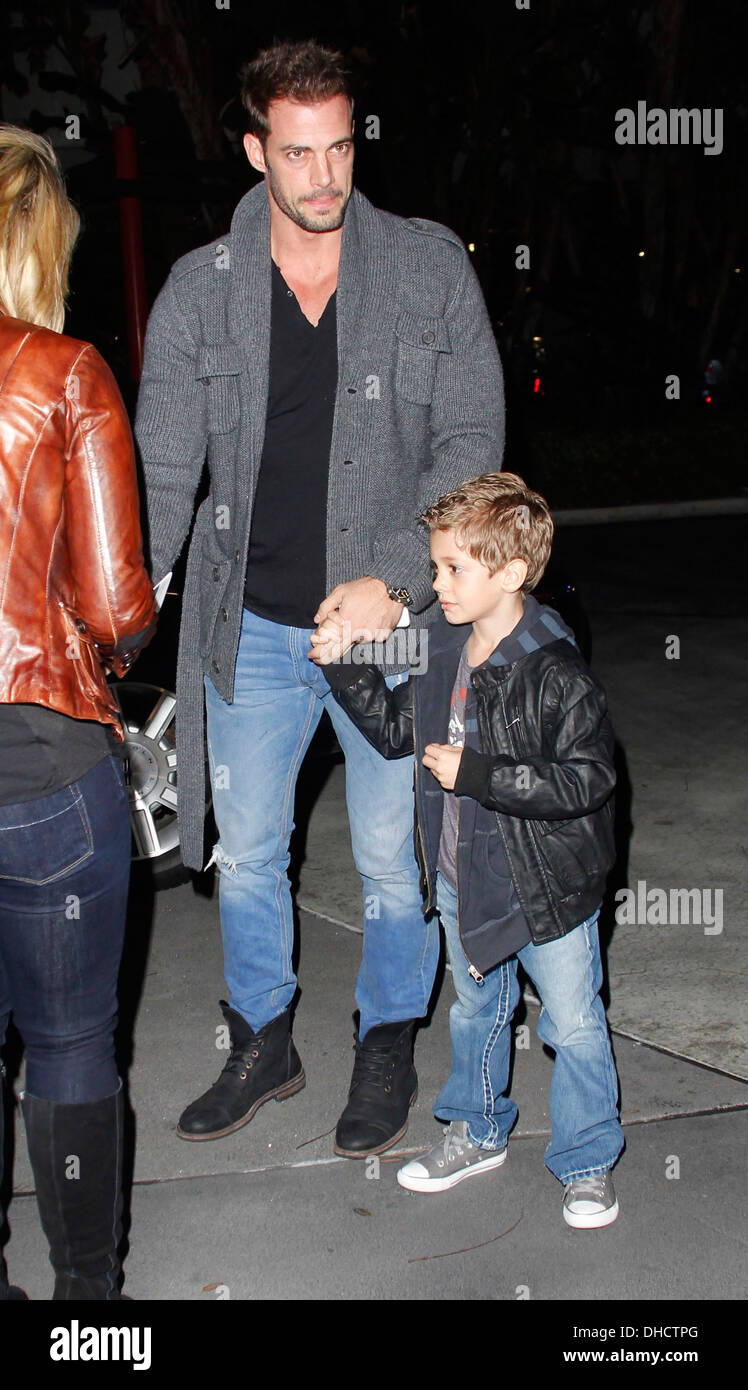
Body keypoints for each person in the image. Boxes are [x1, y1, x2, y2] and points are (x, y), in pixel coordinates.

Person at [135, 40, 505, 1157]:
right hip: (248, 622)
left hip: (387, 631)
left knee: (392, 857)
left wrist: (392, 577)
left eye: (339, 145)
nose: (323, 175)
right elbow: (162, 469)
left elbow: (471, 441)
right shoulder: (202, 290)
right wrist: (124, 597)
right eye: (297, 152)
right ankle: (263, 1038)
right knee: (247, 852)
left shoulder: (428, 269)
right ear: (255, 150)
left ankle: (387, 1035)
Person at [312, 472, 624, 1226]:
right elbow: (396, 730)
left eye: (454, 569)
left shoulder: (554, 667)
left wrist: (480, 774)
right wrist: (344, 662)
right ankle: (475, 1131)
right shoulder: (440, 645)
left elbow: (588, 779)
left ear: (512, 574)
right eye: (435, 565)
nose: (436, 584)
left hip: (545, 885)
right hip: (461, 874)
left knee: (573, 1023)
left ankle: (585, 1163)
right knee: (476, 1009)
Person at [0, 125, 156, 1298]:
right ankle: (86, 1311)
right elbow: (115, 609)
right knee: (65, 1046)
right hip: (44, 763)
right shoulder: (63, 373)